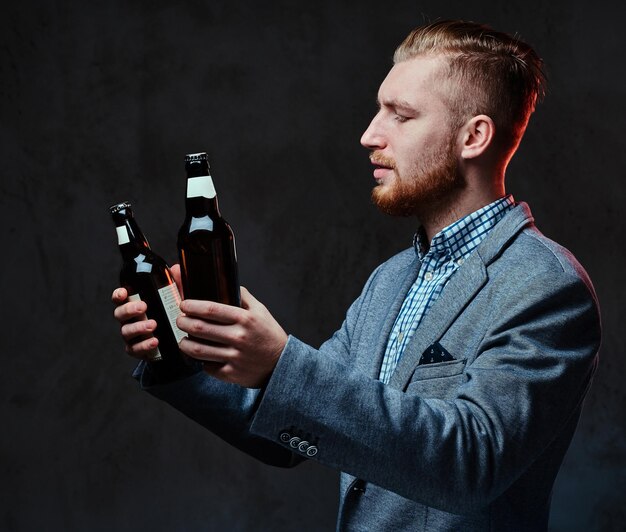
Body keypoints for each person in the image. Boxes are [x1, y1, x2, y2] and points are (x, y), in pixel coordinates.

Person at [112, 20, 601, 531]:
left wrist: (281, 364)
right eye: (378, 109)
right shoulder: (389, 281)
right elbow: (290, 426)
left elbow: (468, 465)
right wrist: (175, 353)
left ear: (473, 136)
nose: (369, 134)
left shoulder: (546, 285)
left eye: (402, 115)